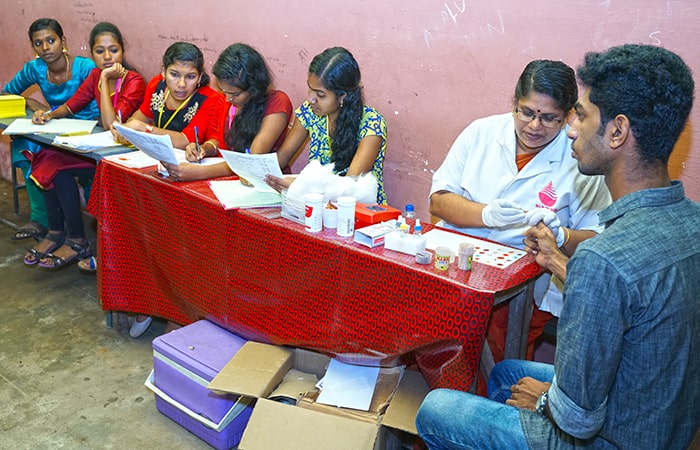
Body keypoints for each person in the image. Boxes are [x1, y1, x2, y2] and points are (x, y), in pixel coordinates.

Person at [416, 43, 700, 450]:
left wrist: (546, 400)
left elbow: (576, 419)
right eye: (527, 112)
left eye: (578, 116)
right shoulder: (691, 220)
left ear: (617, 131)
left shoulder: (605, 259)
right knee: (506, 375)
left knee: (436, 408)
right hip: (660, 419)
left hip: (613, 437)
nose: (569, 130)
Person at [428, 60, 611, 374]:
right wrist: (486, 214)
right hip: (455, 267)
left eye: (549, 118)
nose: (534, 126)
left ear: (568, 115)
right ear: (514, 102)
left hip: (521, 288)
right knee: (429, 342)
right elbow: (439, 202)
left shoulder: (580, 158)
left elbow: (597, 240)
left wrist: (563, 236)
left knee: (494, 368)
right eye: (526, 112)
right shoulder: (481, 132)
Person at [110, 41, 223, 337]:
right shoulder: (156, 87)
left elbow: (185, 140)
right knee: (135, 231)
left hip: (187, 181)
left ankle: (171, 307)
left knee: (170, 244)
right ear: (163, 71)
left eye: (190, 76)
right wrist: (127, 127)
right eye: (174, 74)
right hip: (152, 174)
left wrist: (144, 130)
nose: (181, 84)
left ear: (200, 77)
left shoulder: (209, 99)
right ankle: (146, 299)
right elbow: (139, 116)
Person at [21, 22, 146, 269]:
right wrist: (48, 115)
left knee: (56, 166)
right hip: (99, 149)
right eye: (100, 51)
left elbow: (112, 124)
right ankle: (58, 232)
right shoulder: (96, 75)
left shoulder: (133, 81)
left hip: (121, 157)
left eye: (114, 50)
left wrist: (106, 79)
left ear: (123, 51)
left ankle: (77, 240)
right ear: (92, 53)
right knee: (46, 158)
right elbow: (73, 105)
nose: (107, 57)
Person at [3, 18, 99, 242]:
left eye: (51, 40)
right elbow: (7, 93)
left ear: (63, 41)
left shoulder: (85, 68)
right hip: (55, 129)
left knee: (59, 157)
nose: (45, 48)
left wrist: (52, 112)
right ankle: (41, 219)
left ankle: (88, 219)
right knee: (24, 144)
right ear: (33, 47)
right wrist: (30, 103)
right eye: (38, 43)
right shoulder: (35, 68)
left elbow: (98, 111)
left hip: (89, 132)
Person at [265, 47, 388, 204]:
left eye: (320, 95)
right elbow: (281, 159)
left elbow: (349, 187)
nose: (311, 99)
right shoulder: (309, 112)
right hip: (314, 205)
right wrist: (256, 172)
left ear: (342, 96)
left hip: (358, 210)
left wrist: (301, 187)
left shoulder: (371, 124)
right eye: (310, 90)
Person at [161, 43, 293, 181]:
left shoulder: (277, 103)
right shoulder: (226, 99)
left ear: (254, 88)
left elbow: (251, 159)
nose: (228, 99)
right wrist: (204, 149)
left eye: (235, 94)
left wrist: (200, 172)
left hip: (264, 182)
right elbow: (219, 140)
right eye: (224, 91)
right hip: (226, 179)